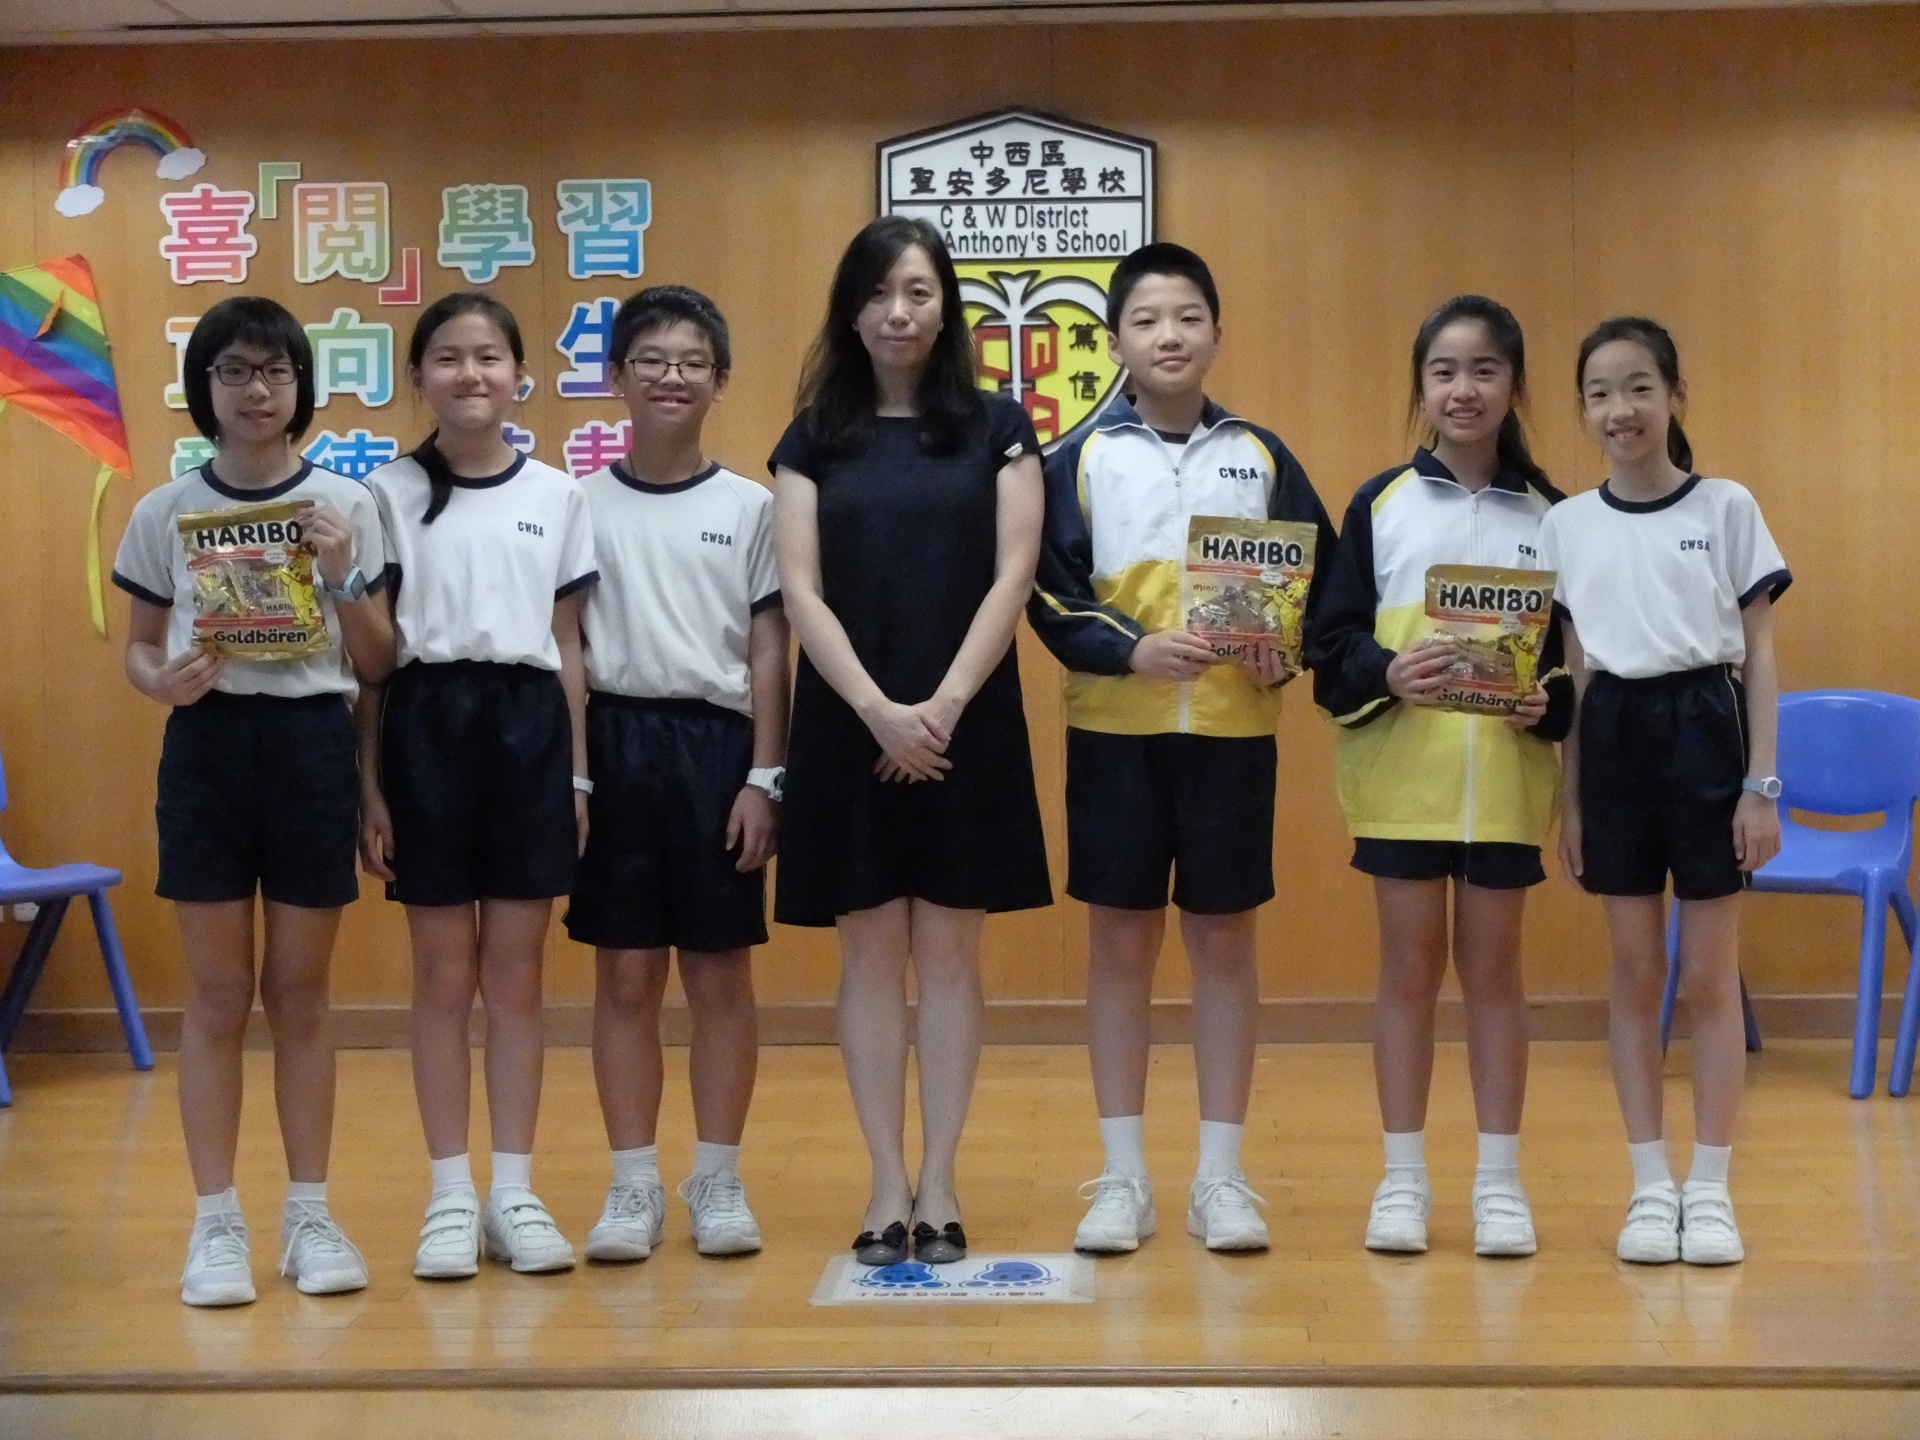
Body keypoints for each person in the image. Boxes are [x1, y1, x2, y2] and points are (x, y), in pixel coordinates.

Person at [1029, 242, 1336, 1254]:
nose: (1170, 335)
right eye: (1148, 319)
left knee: (1225, 946)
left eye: (1189, 317)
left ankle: (1220, 1177)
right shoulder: (1074, 458)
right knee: (1120, 947)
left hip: (1232, 739)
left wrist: (1283, 653)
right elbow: (1047, 593)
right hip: (1114, 737)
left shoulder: (1261, 456)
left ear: (1216, 332)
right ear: (1115, 339)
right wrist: (1131, 649)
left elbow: (1316, 592)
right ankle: (1121, 1178)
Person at [770, 216, 1051, 1267]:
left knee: (950, 953)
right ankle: (886, 1182)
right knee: (871, 954)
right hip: (850, 722)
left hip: (966, 722)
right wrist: (880, 713)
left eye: (919, 292)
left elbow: (1013, 575)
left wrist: (939, 708)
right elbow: (800, 590)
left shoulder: (999, 427)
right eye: (880, 292)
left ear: (946, 308)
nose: (899, 312)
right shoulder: (812, 437)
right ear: (852, 309)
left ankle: (941, 1180)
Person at [111, 296, 391, 1306]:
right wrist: (161, 681)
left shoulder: (346, 504)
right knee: (218, 996)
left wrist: (341, 574)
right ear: (206, 388)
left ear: (300, 385)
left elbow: (379, 663)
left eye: (274, 371)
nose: (256, 390)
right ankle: (215, 1223)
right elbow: (139, 647)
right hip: (208, 749)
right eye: (233, 370)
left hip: (313, 745)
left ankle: (310, 1214)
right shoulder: (165, 509)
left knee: (301, 995)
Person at [1306, 295, 1571, 1258]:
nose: (1465, 389)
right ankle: (1402, 1182)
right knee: (1409, 973)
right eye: (1445, 371)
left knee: (1495, 975)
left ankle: (1500, 1186)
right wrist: (1388, 671)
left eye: (1485, 370)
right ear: (1421, 387)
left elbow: (1577, 665)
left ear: (1515, 386)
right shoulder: (1380, 505)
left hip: (1504, 788)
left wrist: (1548, 704)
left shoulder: (1557, 517)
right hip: (1400, 784)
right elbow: (1328, 644)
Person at [359, 292, 598, 1279]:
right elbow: (372, 665)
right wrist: (370, 789)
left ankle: (515, 1191)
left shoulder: (558, 494)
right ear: (418, 377)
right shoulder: (383, 495)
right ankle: (450, 1196)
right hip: (427, 724)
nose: (471, 373)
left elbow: (570, 646)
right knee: (442, 976)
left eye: (490, 356)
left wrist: (577, 773)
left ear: (519, 375)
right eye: (449, 357)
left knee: (516, 975)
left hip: (529, 728)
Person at [1543, 316, 1788, 1266]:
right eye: (1600, 393)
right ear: (1583, 409)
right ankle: (1650, 1186)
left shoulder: (1726, 506)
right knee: (1635, 971)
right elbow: (1574, 674)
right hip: (1612, 739)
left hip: (1704, 730)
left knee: (1708, 975)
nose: (1621, 409)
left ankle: (1711, 1189)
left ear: (1675, 397)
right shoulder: (1567, 524)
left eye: (1639, 387)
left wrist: (1760, 785)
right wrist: (1570, 800)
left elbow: (1760, 651)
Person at [567, 285, 789, 1261]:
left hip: (717, 750)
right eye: (651, 360)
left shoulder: (752, 507)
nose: (671, 376)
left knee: (719, 974)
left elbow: (771, 650)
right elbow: (566, 648)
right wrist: (577, 779)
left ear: (721, 379)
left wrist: (766, 778)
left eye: (692, 361)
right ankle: (631, 1187)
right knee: (623, 974)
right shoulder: (576, 505)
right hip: (614, 740)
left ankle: (718, 1179)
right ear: (617, 376)